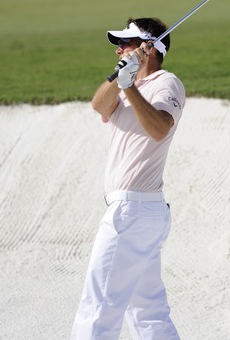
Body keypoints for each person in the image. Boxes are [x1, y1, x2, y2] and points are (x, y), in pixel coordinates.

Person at [70, 17, 185, 339]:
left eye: (128, 43)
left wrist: (129, 86)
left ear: (149, 48)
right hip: (138, 214)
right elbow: (99, 105)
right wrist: (123, 79)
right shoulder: (124, 86)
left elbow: (160, 129)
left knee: (99, 306)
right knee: (148, 311)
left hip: (133, 212)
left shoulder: (166, 83)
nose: (119, 48)